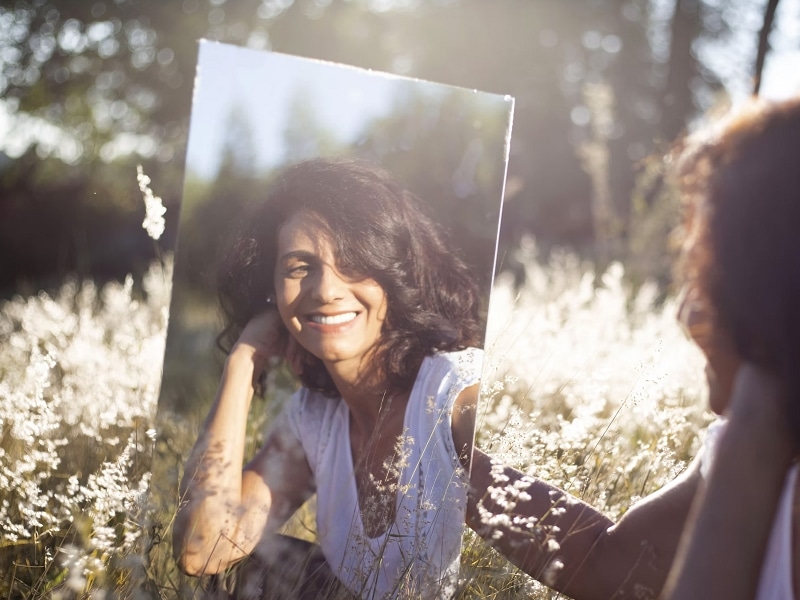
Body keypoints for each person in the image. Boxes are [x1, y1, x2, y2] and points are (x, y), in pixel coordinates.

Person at [467, 95, 800, 599]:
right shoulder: (755, 450)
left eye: (707, 277)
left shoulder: (752, 446)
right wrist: (452, 456)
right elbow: (610, 565)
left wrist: (751, 434)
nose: (686, 314)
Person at [172, 157, 487, 599]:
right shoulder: (314, 419)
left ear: (394, 272)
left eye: (354, 260)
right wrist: (243, 363)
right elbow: (202, 550)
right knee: (253, 568)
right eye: (299, 267)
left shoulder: (456, 389)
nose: (325, 290)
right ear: (272, 289)